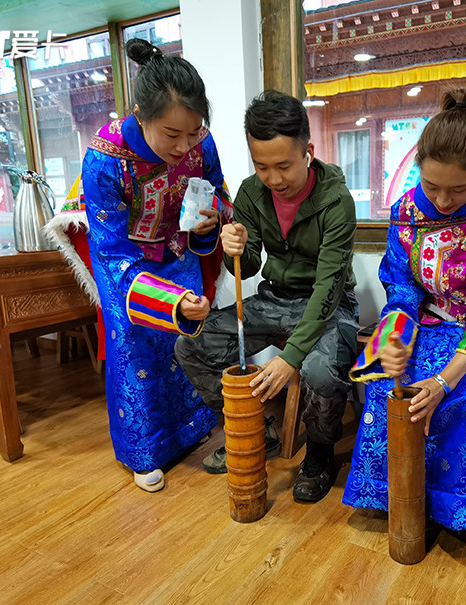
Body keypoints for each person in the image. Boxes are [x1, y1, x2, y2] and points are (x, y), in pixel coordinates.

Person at [343, 86, 466, 534]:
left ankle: (460, 510)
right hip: (429, 320)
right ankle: (395, 492)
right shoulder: (407, 210)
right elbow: (402, 288)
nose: (443, 201)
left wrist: (441, 381)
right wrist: (390, 341)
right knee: (384, 391)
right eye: (431, 185)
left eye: (459, 189)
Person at [175, 90, 359, 503]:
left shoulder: (336, 201)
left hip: (328, 305)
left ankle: (321, 453)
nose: (274, 179)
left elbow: (329, 288)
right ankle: (256, 431)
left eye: (283, 165)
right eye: (262, 166)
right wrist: (233, 244)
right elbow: (250, 264)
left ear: (307, 151)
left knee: (320, 371)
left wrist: (290, 357)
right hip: (274, 299)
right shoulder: (250, 194)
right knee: (191, 345)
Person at [81, 39, 231, 492]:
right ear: (139, 115)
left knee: (185, 346)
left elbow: (219, 193)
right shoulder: (104, 161)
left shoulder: (201, 143)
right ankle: (143, 451)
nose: (185, 145)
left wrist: (211, 220)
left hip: (179, 254)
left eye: (193, 132)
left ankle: (191, 430)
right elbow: (108, 250)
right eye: (171, 135)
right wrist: (166, 299)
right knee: (139, 350)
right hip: (127, 270)